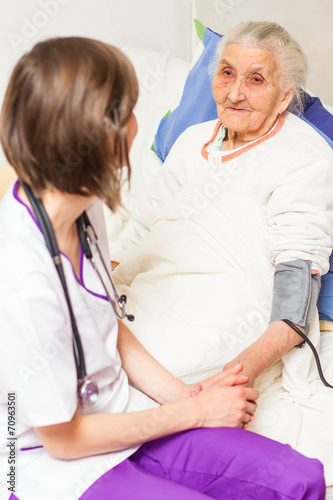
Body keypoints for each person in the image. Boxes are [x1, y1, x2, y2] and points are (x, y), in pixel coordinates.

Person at [0, 36, 325, 500]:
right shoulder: (20, 277)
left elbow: (105, 316)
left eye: (255, 79)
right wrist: (194, 412)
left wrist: (185, 396)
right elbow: (63, 438)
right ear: (98, 133)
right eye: (129, 111)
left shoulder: (84, 207)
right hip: (51, 460)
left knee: (300, 479)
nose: (138, 125)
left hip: (124, 409)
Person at [112, 21, 333, 488]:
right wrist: (99, 287)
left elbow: (295, 296)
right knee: (87, 350)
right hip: (153, 289)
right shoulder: (194, 139)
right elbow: (141, 229)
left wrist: (240, 374)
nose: (234, 93)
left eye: (256, 80)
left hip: (229, 302)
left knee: (151, 374)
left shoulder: (306, 156)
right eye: (227, 73)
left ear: (285, 93)